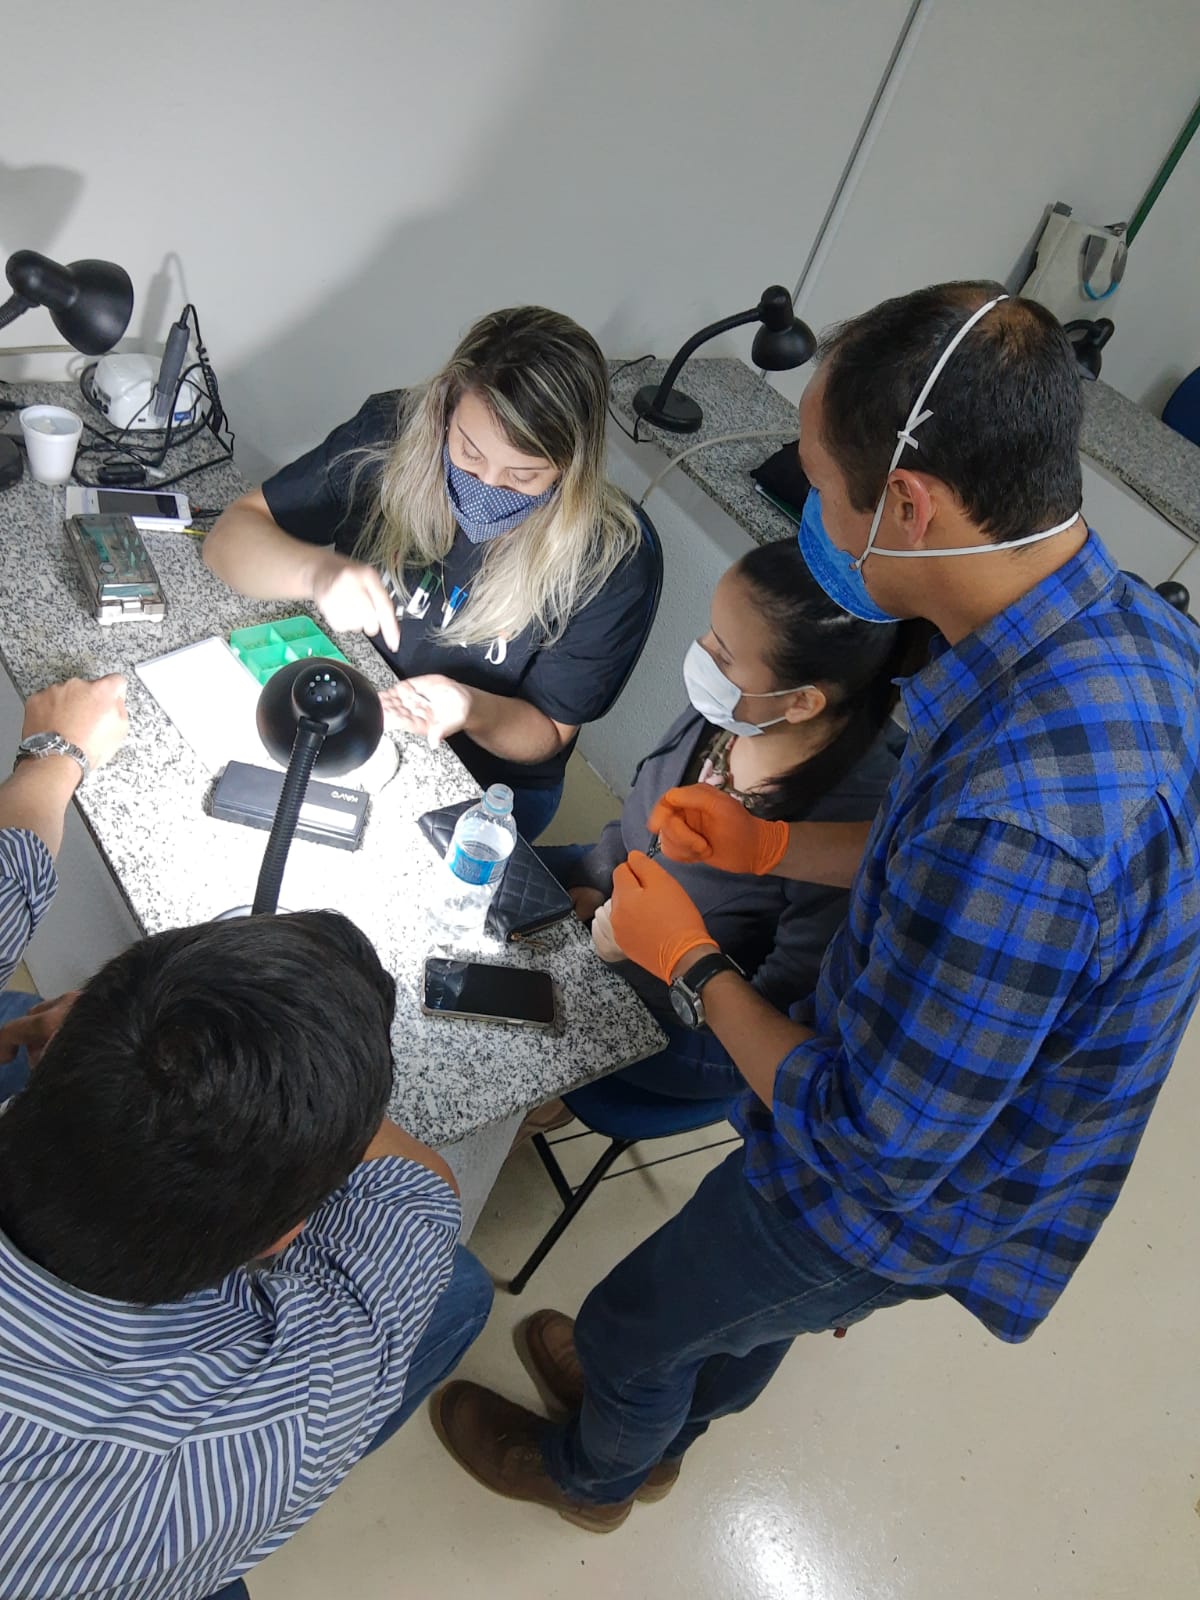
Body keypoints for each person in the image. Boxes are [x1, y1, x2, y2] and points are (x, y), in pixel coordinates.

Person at [428, 281, 1200, 1530]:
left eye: (824, 486)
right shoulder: (1120, 640)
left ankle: (597, 1471)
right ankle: (682, 1385)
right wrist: (772, 843)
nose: (815, 519)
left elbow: (866, 1141)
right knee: (735, 1315)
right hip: (926, 1096)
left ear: (910, 502)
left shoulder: (1023, 827)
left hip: (896, 1181)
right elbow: (930, 848)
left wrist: (689, 960)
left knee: (635, 1321)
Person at [0, 688, 492, 1599]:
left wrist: (52, 755)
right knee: (459, 1289)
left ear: (52, 1058)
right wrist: (290, 1070)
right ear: (283, 1238)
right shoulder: (265, 1430)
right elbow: (416, 1189)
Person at [203, 306, 661, 840]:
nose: (487, 484)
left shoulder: (612, 558)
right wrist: (316, 571)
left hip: (481, 778)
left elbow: (549, 733)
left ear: (571, 467)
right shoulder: (390, 435)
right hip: (353, 700)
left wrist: (470, 708)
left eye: (523, 475)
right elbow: (228, 539)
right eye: (468, 451)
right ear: (445, 409)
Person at [535, 537, 909, 1110]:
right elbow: (636, 822)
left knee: (526, 1015)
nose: (702, 655)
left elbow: (770, 1013)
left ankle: (544, 1107)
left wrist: (637, 958)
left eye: (724, 653)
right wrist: (597, 877)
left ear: (802, 702)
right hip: (617, 914)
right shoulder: (732, 713)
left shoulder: (851, 823)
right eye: (711, 632)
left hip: (700, 1026)